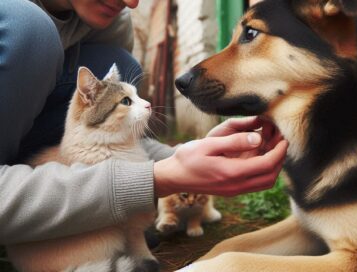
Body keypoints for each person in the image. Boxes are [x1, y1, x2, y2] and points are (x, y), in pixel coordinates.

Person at [0, 0, 288, 245]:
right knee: (28, 29)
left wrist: (188, 156)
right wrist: (154, 181)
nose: (133, 2)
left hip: (40, 154)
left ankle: (57, 207)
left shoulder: (112, 21)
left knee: (118, 64)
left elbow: (114, 138)